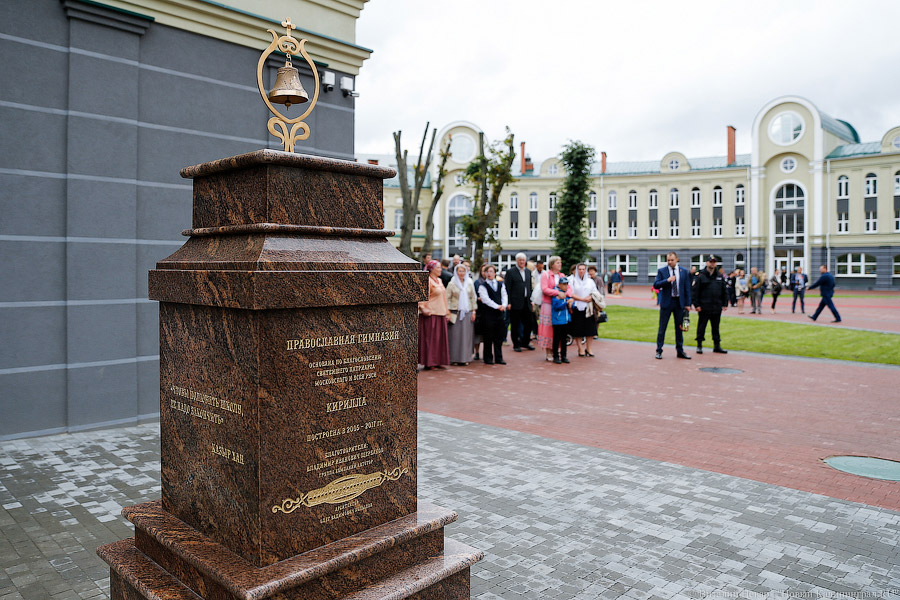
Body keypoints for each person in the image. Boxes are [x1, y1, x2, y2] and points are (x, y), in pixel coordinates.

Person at [653, 251, 692, 360]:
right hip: (667, 303)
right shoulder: (662, 271)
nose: (670, 262)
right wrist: (667, 280)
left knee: (679, 328)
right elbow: (656, 284)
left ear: (677, 259)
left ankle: (680, 350)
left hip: (679, 303)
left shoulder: (684, 272)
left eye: (672, 260)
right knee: (662, 328)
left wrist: (688, 304)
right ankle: (659, 350)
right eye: (668, 260)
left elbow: (687, 289)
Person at [693, 256, 728, 354]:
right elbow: (695, 291)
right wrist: (696, 305)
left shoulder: (719, 276)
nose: (712, 263)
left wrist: (725, 303)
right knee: (701, 326)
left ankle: (717, 345)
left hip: (716, 306)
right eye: (710, 262)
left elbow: (724, 290)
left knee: (716, 327)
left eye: (714, 262)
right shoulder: (700, 275)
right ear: (707, 263)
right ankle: (699, 345)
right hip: (704, 306)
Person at [418, 260, 449, 369]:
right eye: (438, 268)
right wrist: (422, 307)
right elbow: (422, 295)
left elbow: (444, 297)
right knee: (430, 339)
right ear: (432, 269)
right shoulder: (427, 280)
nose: (440, 270)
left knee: (439, 340)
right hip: (430, 313)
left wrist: (447, 312)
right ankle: (429, 362)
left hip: (440, 312)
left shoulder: (439, 280)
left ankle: (438, 361)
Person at [538, 256, 571, 362]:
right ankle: (549, 351)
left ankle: (559, 352)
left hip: (561, 305)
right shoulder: (546, 275)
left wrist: (567, 295)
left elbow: (569, 288)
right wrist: (557, 293)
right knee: (549, 329)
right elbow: (544, 289)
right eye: (557, 262)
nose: (560, 264)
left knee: (560, 330)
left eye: (560, 262)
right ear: (552, 264)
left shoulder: (562, 275)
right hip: (548, 304)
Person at [477, 265, 508, 364]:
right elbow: (485, 300)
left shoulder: (500, 284)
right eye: (487, 272)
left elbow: (504, 295)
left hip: (499, 314)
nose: (489, 274)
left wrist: (504, 305)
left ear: (495, 273)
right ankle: (488, 358)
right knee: (488, 336)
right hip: (488, 314)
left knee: (499, 336)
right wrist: (497, 306)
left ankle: (499, 357)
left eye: (491, 271)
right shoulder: (483, 286)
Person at [446, 264, 477, 365]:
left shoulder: (469, 283)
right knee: (455, 336)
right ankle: (454, 358)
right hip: (455, 313)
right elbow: (447, 298)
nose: (462, 273)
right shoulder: (452, 283)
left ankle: (465, 358)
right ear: (456, 272)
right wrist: (448, 312)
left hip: (467, 312)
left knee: (466, 336)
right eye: (460, 271)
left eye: (463, 271)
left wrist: (474, 311)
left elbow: (473, 298)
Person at [504, 253, 535, 352]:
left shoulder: (528, 272)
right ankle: (516, 344)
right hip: (515, 302)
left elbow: (529, 287)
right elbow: (507, 288)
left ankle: (525, 342)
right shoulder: (510, 272)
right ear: (517, 261)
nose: (522, 262)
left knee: (529, 323)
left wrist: (531, 300)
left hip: (527, 301)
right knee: (515, 324)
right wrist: (508, 302)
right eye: (520, 260)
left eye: (523, 260)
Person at [570, 263, 598, 357]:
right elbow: (570, 293)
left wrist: (591, 297)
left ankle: (589, 348)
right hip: (577, 307)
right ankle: (580, 348)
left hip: (588, 308)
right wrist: (582, 299)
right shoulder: (572, 281)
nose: (581, 271)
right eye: (579, 269)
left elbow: (595, 292)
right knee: (578, 329)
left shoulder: (590, 281)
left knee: (590, 329)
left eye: (583, 269)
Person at [551, 277, 573, 364]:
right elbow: (556, 307)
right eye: (564, 284)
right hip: (557, 320)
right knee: (556, 339)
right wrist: (566, 303)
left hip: (565, 320)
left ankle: (564, 356)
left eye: (567, 284)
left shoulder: (567, 294)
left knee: (564, 339)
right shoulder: (556, 294)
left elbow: (571, 305)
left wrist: (571, 303)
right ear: (559, 285)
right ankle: (555, 356)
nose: (565, 286)